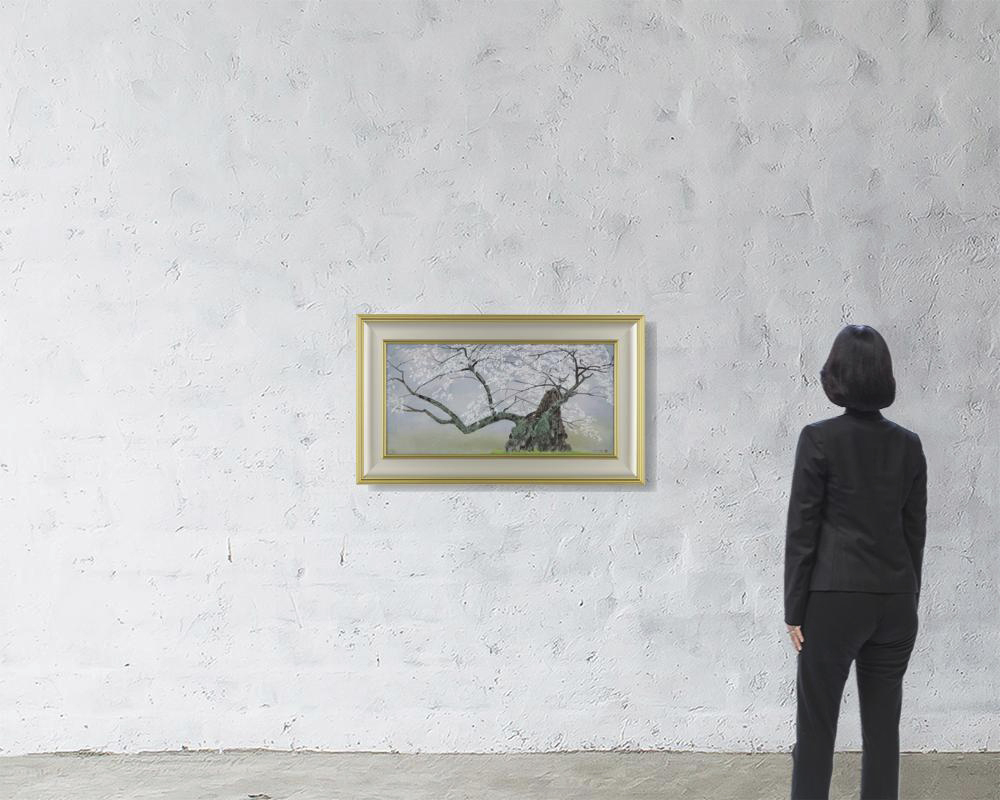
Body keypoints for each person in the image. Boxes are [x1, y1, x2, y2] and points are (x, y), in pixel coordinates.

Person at [784, 324, 927, 800]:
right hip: (895, 601)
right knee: (884, 733)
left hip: (833, 602)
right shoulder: (909, 444)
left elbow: (802, 530)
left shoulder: (818, 439)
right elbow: (914, 531)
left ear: (836, 375)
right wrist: (909, 596)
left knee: (817, 730)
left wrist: (794, 610)